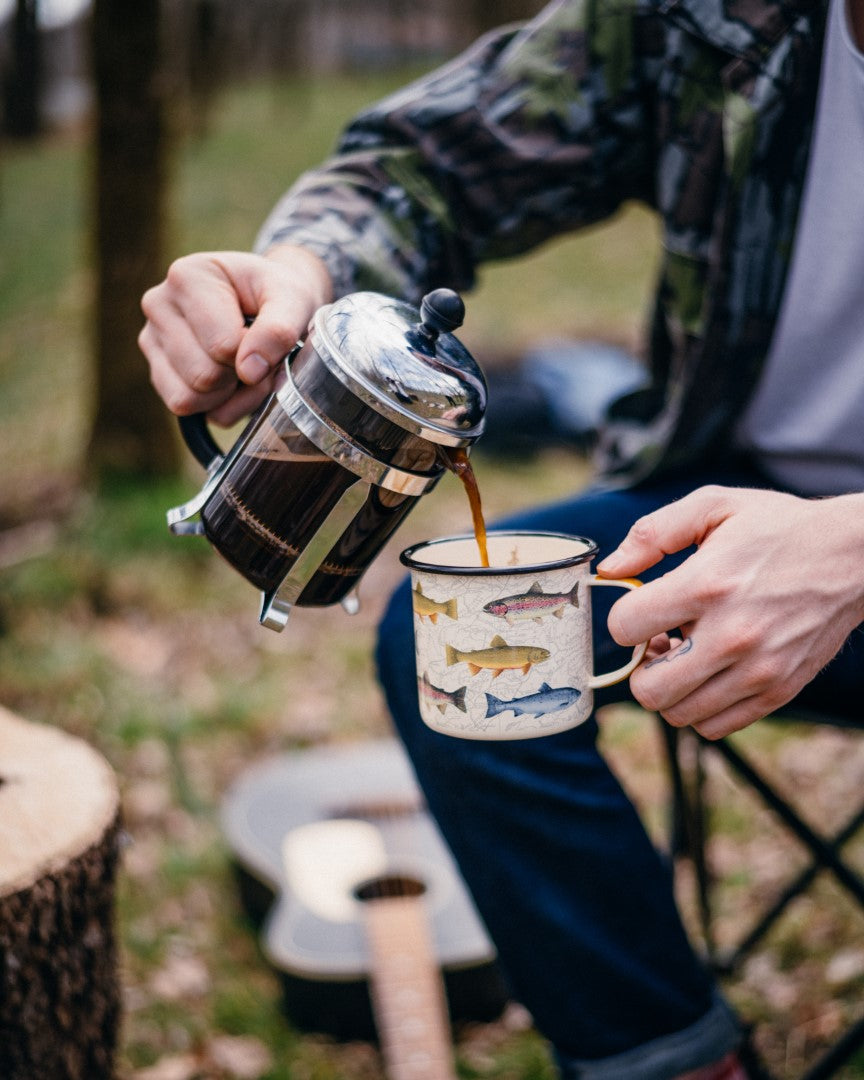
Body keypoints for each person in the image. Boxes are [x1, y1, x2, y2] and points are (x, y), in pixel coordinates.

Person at [138, 0, 864, 1074]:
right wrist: (304, 271)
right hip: (736, 494)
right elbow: (430, 161)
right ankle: (668, 1057)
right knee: (451, 639)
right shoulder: (720, 17)